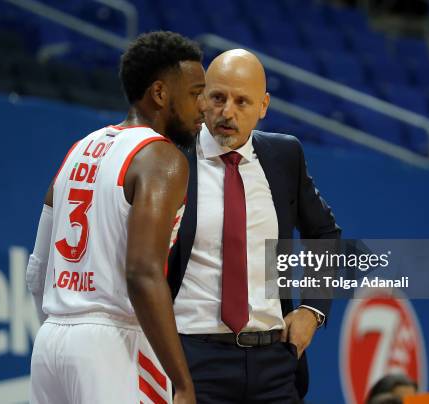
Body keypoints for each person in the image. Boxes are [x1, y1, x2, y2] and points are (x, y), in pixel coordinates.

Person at [25, 31, 205, 404]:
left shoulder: (80, 148)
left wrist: (63, 328)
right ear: (159, 94)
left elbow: (36, 269)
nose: (202, 105)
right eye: (194, 93)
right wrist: (183, 382)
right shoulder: (162, 158)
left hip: (50, 342)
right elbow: (142, 273)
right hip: (112, 343)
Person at [167, 49, 340, 403]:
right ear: (201, 98)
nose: (227, 111)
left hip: (273, 362)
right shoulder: (170, 157)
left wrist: (313, 310)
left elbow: (325, 234)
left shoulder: (284, 156)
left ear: (263, 107)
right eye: (218, 97)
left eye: (242, 101)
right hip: (193, 360)